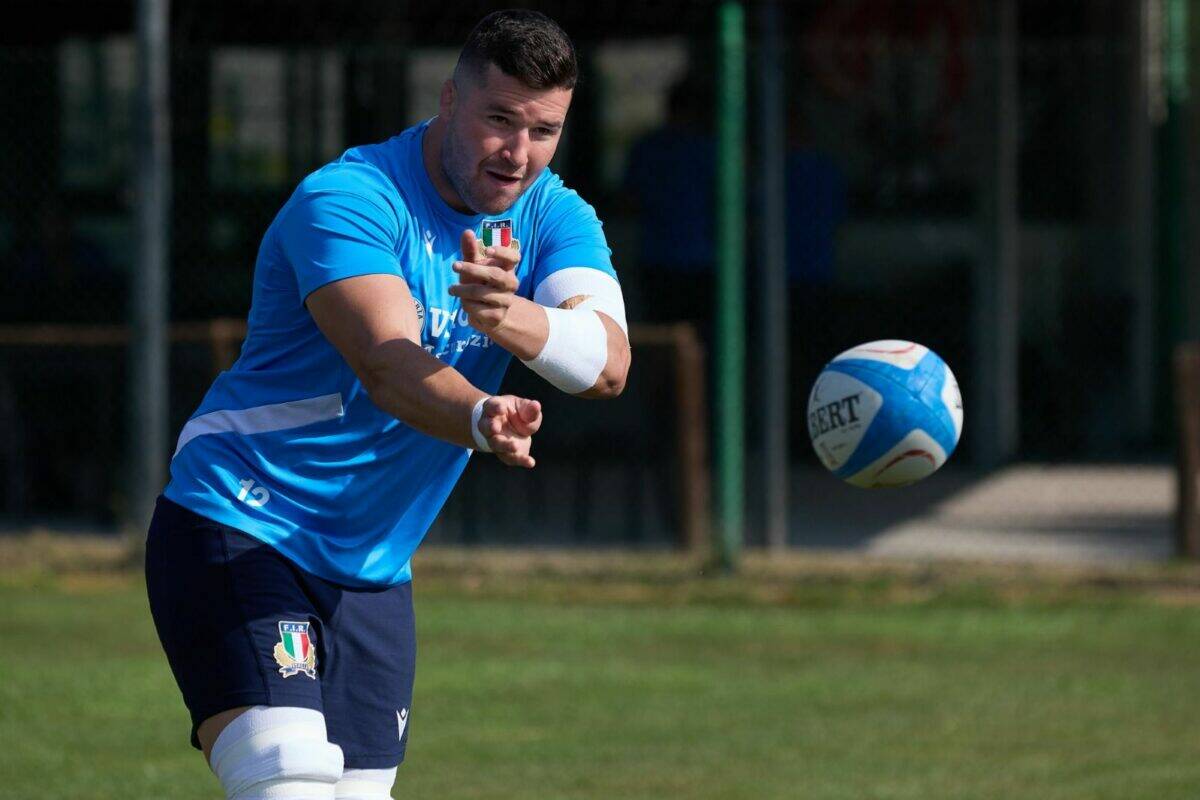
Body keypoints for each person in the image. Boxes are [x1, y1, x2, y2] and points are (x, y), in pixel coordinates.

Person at [144, 10, 630, 799]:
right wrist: (480, 415)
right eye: (498, 120)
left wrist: (509, 317)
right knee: (289, 780)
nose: (517, 153)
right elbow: (387, 363)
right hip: (244, 522)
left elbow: (607, 364)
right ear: (447, 100)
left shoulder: (552, 214)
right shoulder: (349, 198)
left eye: (543, 131)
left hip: (372, 570)